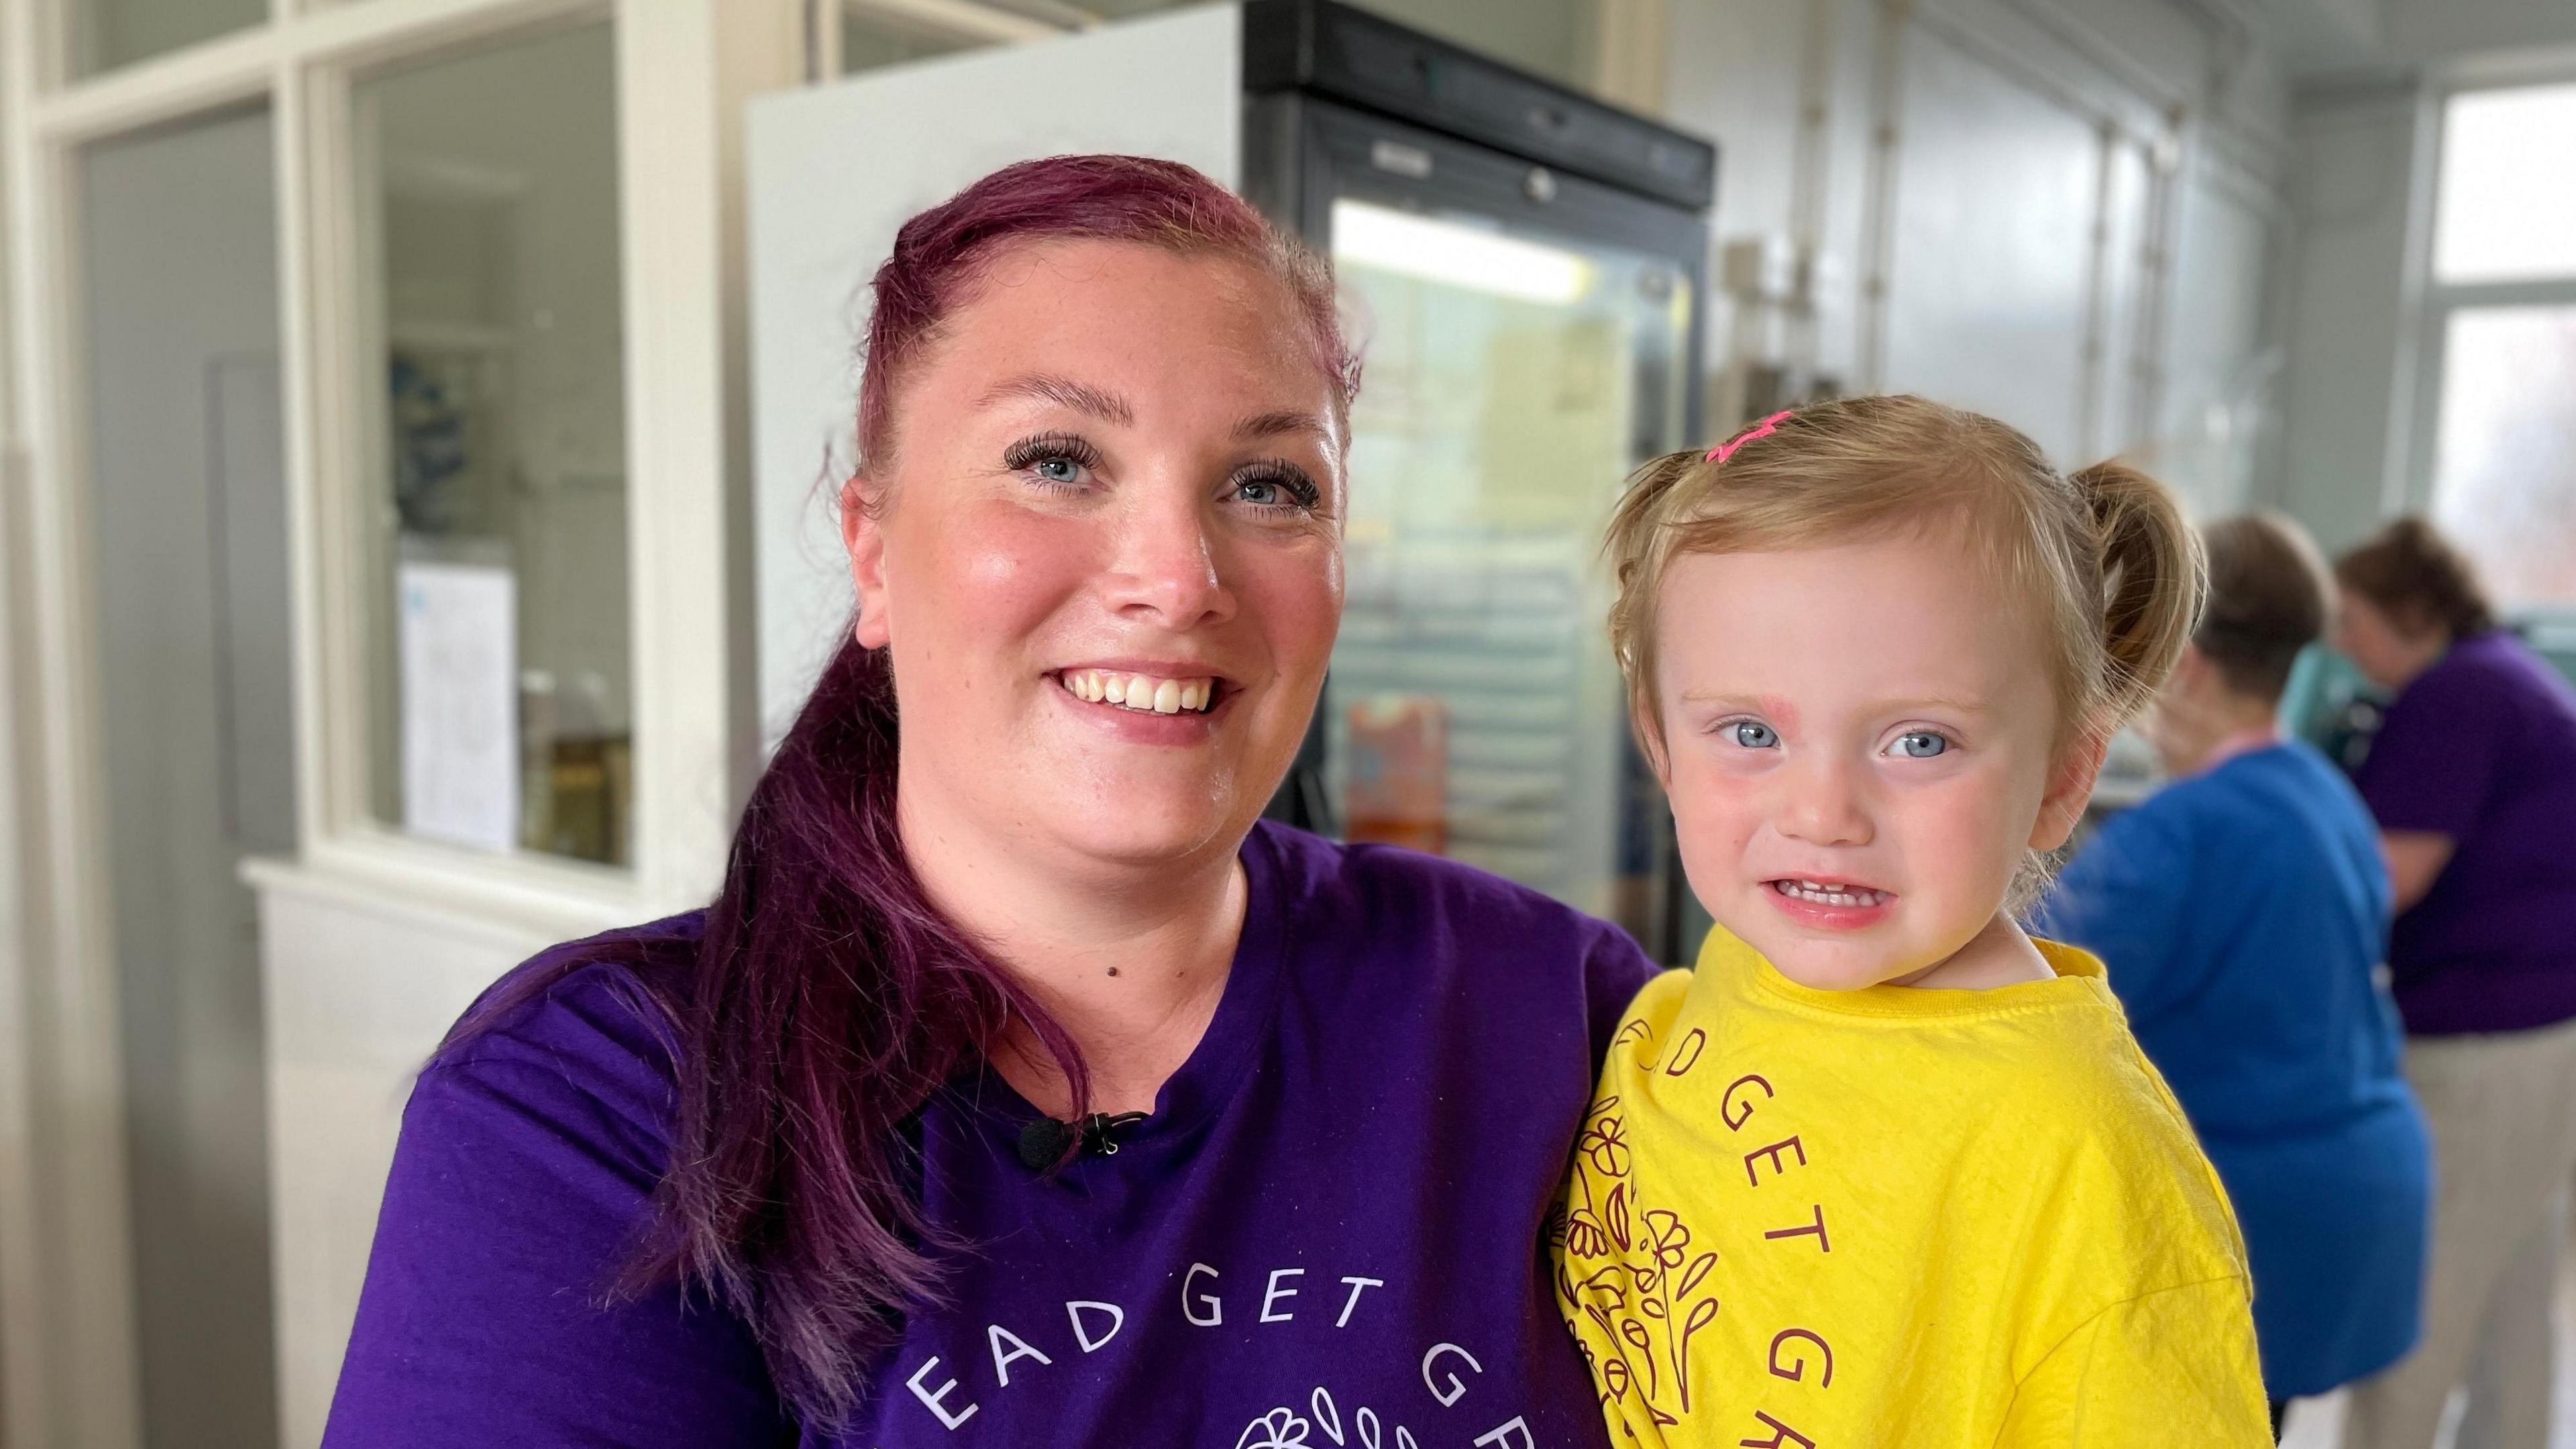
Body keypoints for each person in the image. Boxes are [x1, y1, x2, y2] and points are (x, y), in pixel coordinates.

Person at [321, 156, 1658, 1447]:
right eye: (1058, 462)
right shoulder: (595, 1111)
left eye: (1270, 486)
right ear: (874, 551)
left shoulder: (1547, 1009)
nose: (1178, 577)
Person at [1555, 398, 2269, 1446]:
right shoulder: (1738, 960)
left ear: (2065, 775)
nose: (1821, 817)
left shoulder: (2080, 1162)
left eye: (1919, 743)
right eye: (1750, 732)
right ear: (1661, 747)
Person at [2035, 512, 2429, 1432]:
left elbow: (2009, 1000)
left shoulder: (2181, 834)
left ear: (2191, 665)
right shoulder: (2326, 796)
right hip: (2352, 1193)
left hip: (2253, 1220)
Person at [2334, 517, 2576, 1449]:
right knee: (2514, 1285)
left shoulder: (2457, 697)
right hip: (2544, 1031)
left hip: (2482, 1046)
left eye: (2352, 619)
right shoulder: (2505, 674)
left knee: (2424, 1293)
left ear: (2409, 610)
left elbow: (2392, 876)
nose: (2342, 644)